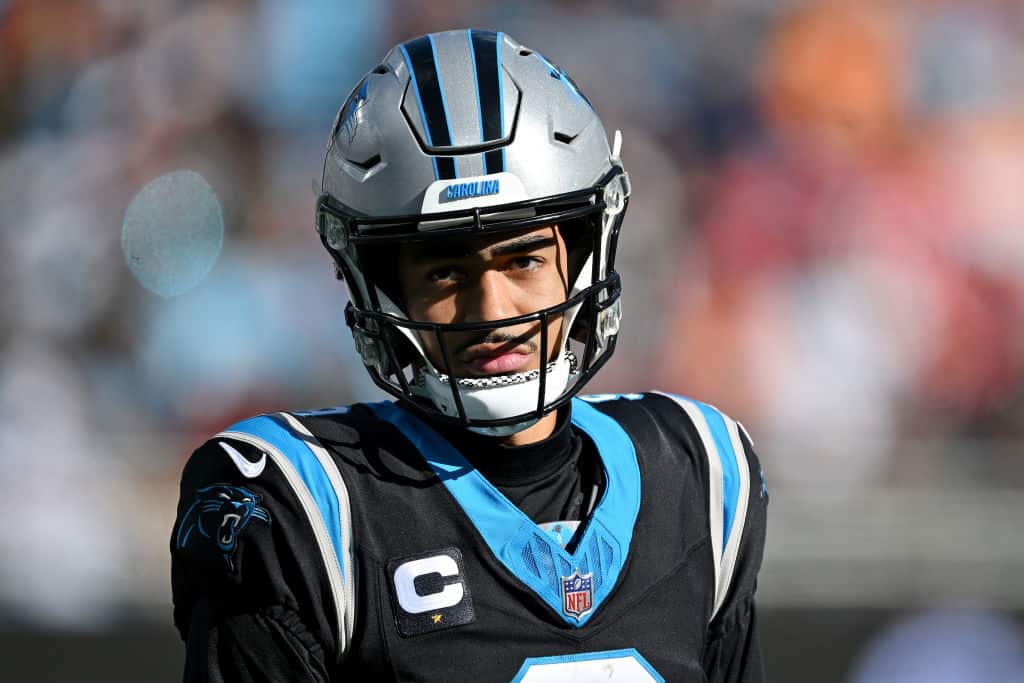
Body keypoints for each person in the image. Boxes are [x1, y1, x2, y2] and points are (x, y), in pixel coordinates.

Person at [171, 29, 767, 682]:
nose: (491, 304)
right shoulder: (307, 508)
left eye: (524, 259)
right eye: (446, 271)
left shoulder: (699, 472)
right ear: (382, 284)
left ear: (584, 257)